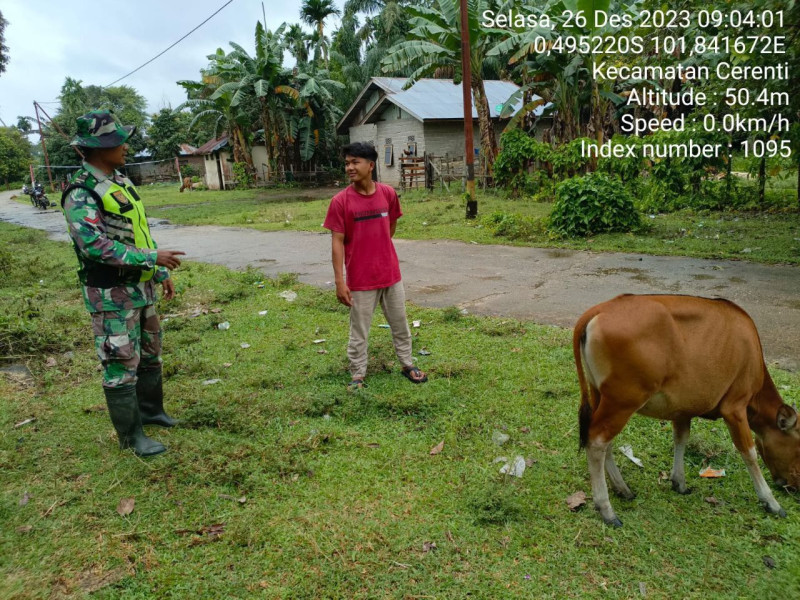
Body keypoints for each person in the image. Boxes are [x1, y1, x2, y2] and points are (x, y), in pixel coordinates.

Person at [61, 110, 185, 457]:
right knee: (120, 362)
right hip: (111, 295)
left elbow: (136, 233)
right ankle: (131, 438)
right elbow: (94, 245)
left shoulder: (120, 182)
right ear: (100, 148)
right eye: (120, 142)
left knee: (150, 355)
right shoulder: (81, 191)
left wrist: (159, 272)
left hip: (140, 289)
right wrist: (152, 258)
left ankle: (152, 413)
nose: (126, 147)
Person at [323, 142, 427, 389]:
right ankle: (357, 374)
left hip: (390, 274)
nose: (349, 168)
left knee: (400, 323)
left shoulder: (387, 194)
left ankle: (407, 364)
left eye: (355, 162)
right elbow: (337, 242)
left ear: (370, 165)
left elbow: (391, 226)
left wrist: (378, 249)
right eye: (347, 163)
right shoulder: (340, 201)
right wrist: (340, 281)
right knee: (359, 331)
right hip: (360, 279)